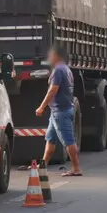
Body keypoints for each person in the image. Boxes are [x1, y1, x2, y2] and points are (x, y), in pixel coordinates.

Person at [35, 45, 82, 176]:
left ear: (57, 56)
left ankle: (76, 168)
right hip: (58, 111)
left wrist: (41, 107)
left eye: (51, 55)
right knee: (50, 139)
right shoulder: (66, 69)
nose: (49, 58)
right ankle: (43, 165)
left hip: (60, 111)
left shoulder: (58, 71)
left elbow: (53, 90)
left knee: (68, 141)